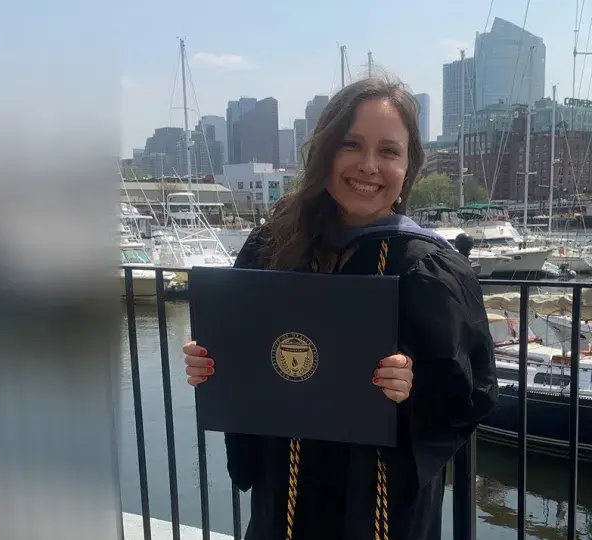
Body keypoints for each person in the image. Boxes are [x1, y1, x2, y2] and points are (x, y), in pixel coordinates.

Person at [182, 76, 498, 540]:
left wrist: (413, 386)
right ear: (326, 151)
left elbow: (470, 393)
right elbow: (245, 352)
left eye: (389, 151)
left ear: (408, 165)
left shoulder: (429, 266)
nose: (369, 166)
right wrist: (211, 363)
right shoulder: (274, 246)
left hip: (379, 500)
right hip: (285, 489)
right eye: (351, 144)